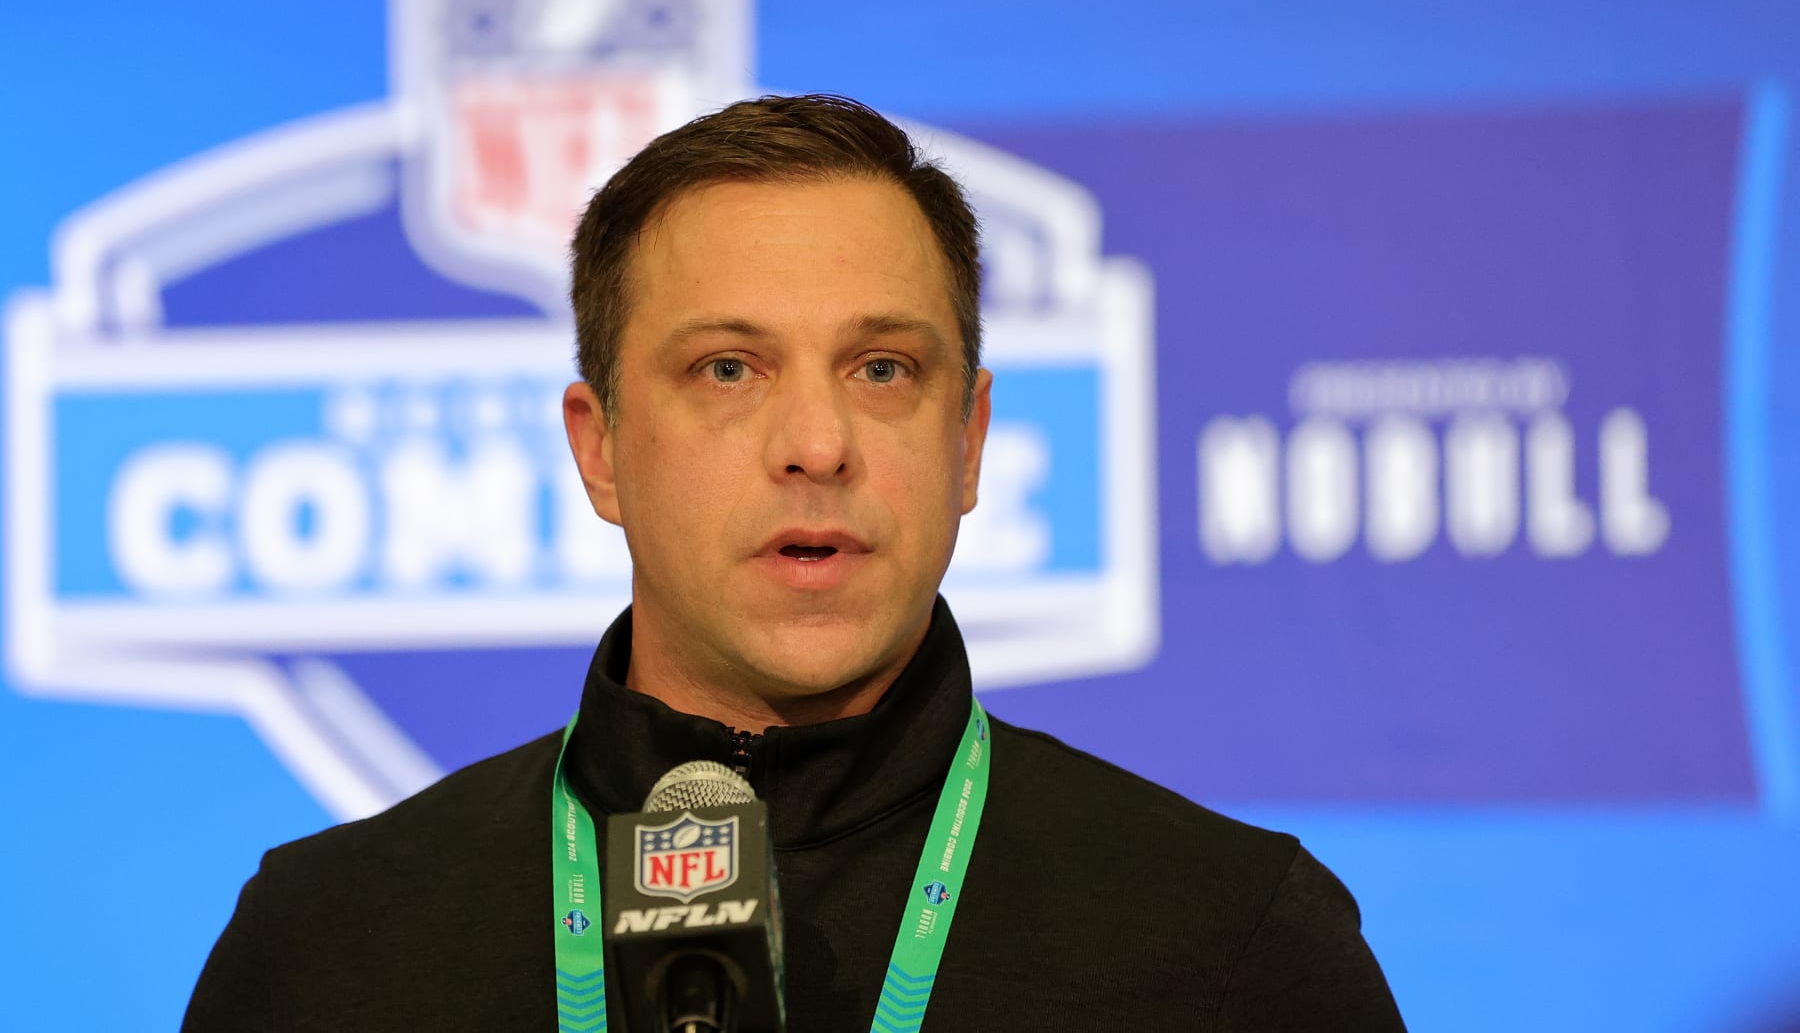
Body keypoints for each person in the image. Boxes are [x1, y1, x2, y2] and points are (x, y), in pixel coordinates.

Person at [183, 94, 1407, 1031]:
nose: (817, 445)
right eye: (728, 368)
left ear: (968, 441)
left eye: (883, 369)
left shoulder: (1233, 941)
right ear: (599, 447)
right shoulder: (326, 949)